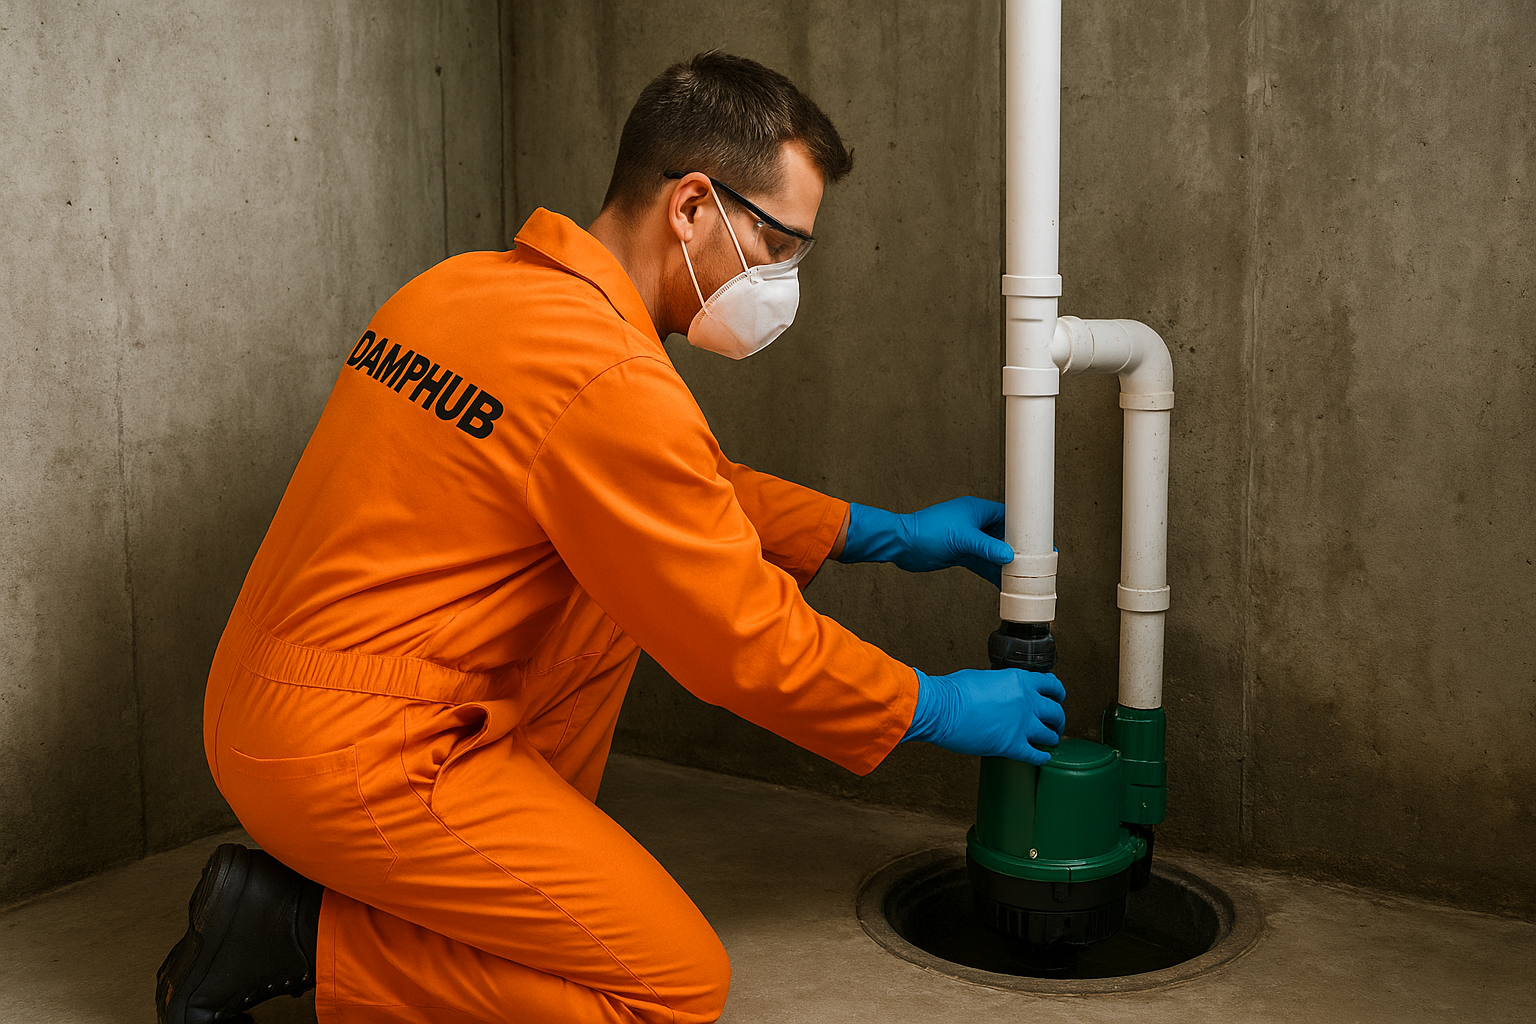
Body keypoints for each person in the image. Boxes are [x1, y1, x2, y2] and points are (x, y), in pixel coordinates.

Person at [155, 51, 1067, 1024]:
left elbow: (661, 491)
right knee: (668, 987)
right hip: (365, 754)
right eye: (782, 243)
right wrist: (932, 705)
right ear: (690, 209)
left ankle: (457, 877)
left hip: (262, 704)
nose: (787, 279)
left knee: (613, 575)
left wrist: (874, 533)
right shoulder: (610, 380)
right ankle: (298, 930)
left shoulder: (462, 289)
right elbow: (742, 640)